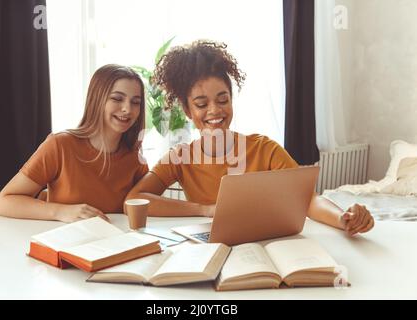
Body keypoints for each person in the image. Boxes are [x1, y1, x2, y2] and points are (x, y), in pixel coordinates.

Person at [126, 40, 374, 236]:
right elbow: (135, 199)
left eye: (223, 100)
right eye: (202, 104)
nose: (214, 111)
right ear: (189, 111)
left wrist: (343, 219)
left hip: (266, 243)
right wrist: (205, 210)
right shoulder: (180, 157)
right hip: (211, 245)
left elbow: (308, 199)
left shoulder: (264, 149)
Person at [0, 64, 148, 223]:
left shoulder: (135, 158)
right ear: (97, 99)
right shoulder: (60, 145)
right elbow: (4, 202)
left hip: (114, 243)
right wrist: (61, 211)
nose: (127, 109)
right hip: (63, 243)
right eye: (117, 98)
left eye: (135, 102)